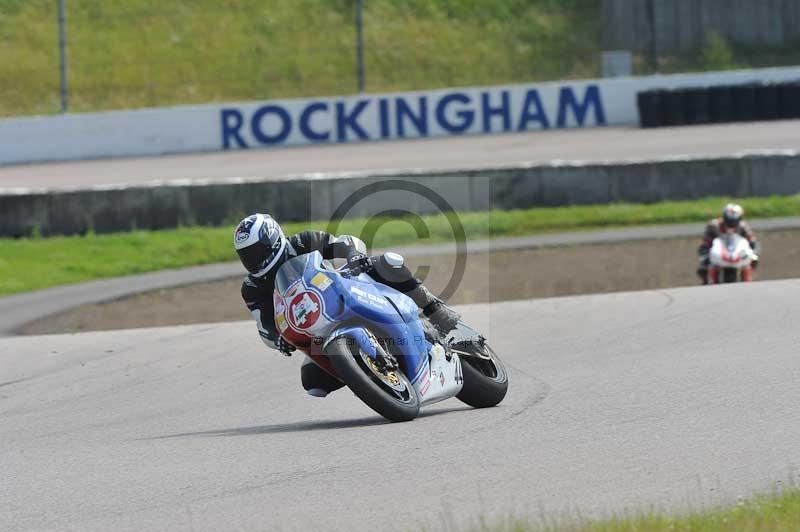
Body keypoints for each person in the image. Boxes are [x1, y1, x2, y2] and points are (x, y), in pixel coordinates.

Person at [233, 213, 461, 397]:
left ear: (272, 240)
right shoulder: (252, 288)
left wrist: (353, 256)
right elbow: (264, 325)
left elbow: (342, 243)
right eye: (246, 255)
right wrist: (277, 340)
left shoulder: (302, 241)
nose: (252, 260)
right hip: (318, 330)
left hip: (342, 292)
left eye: (256, 252)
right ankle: (374, 378)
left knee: (383, 263)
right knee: (313, 382)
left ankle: (434, 309)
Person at [697, 203, 760, 284]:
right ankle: (708, 282)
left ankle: (747, 280)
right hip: (718, 251)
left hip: (737, 252)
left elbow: (751, 239)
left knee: (753, 259)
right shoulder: (714, 225)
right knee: (704, 263)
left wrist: (754, 248)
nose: (731, 223)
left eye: (734, 221)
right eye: (729, 220)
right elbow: (706, 240)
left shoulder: (743, 226)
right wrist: (705, 248)